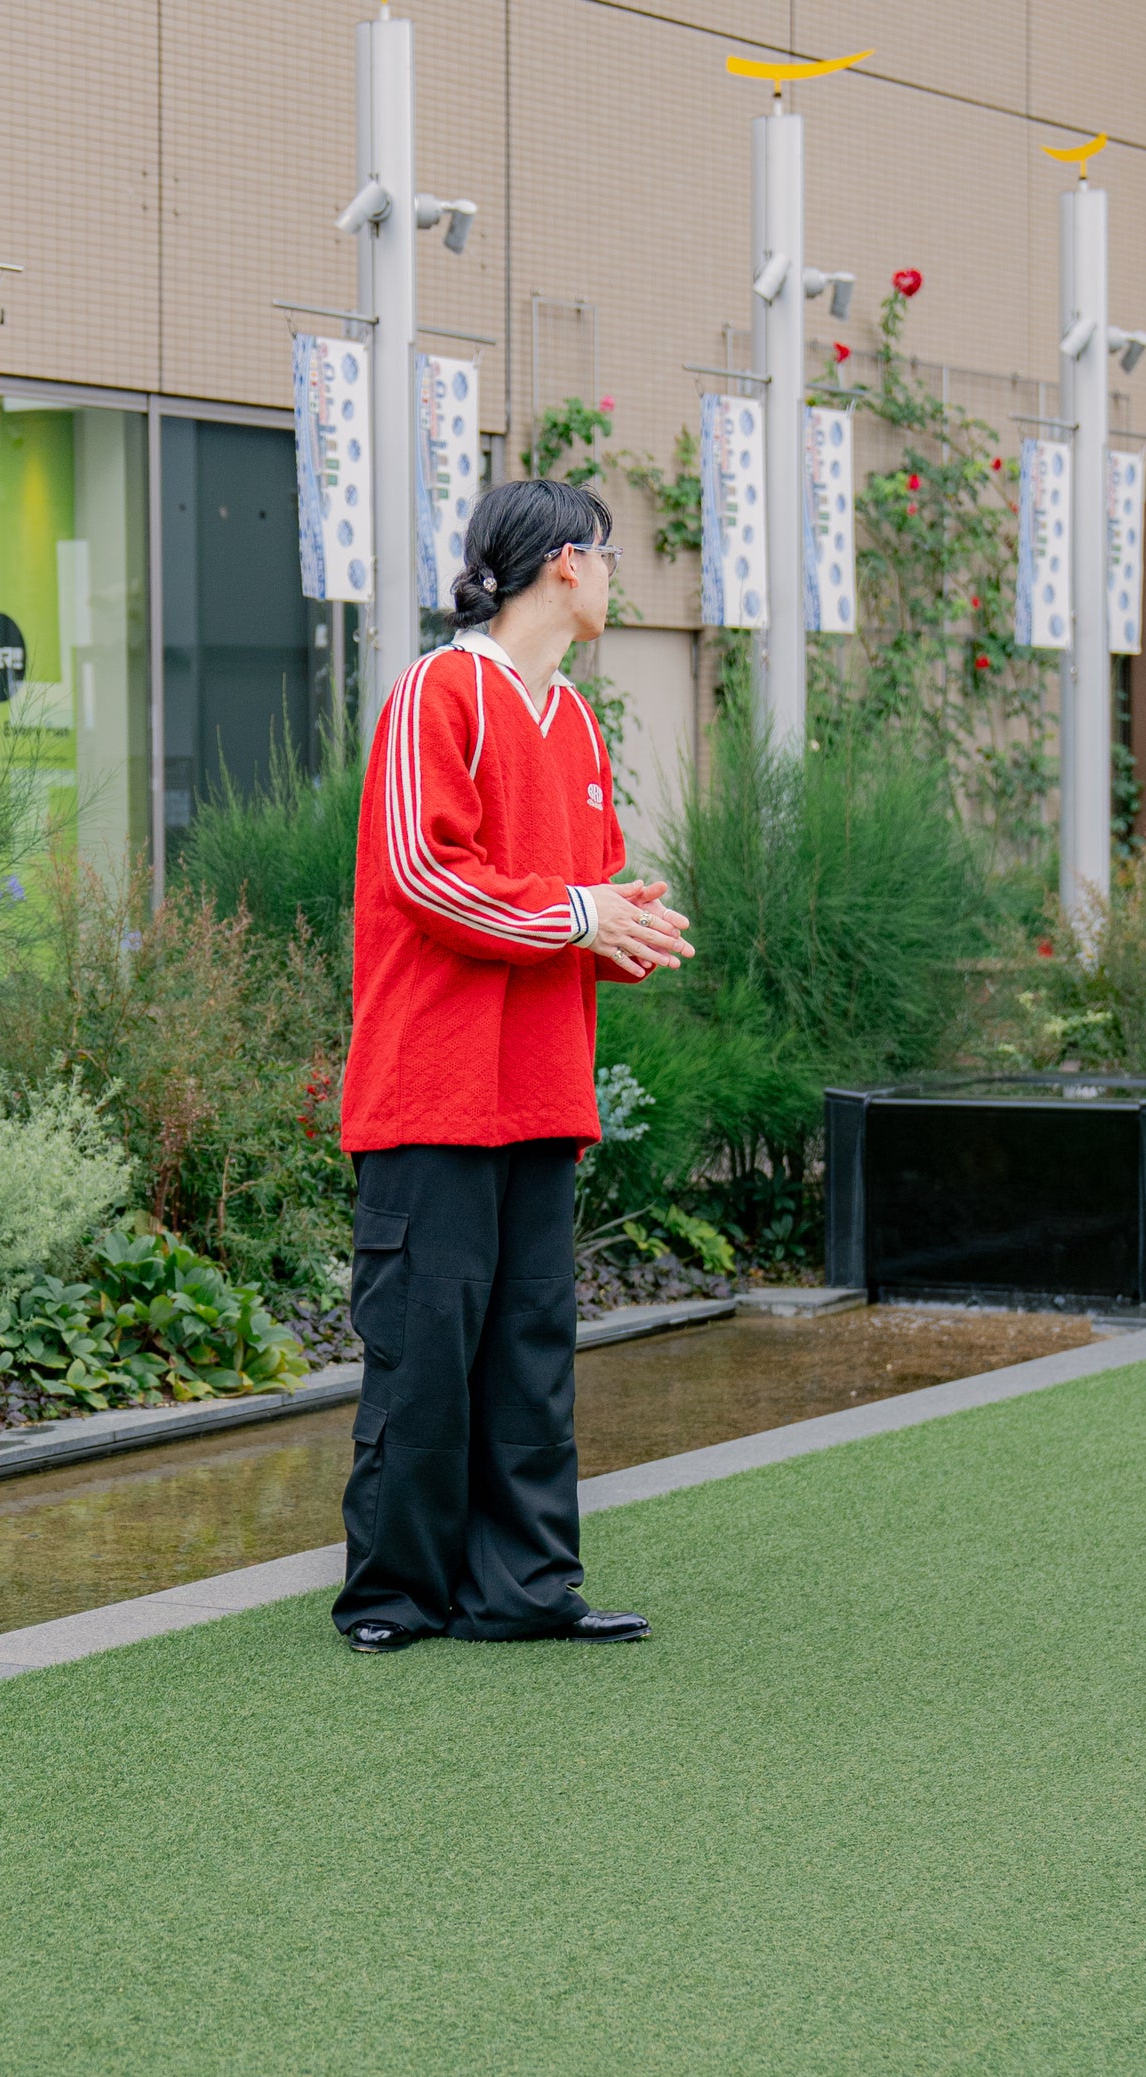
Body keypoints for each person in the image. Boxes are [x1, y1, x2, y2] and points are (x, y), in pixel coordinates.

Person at [333, 477, 695, 1653]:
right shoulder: (440, 692)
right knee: (424, 1358)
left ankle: (524, 1589)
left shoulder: (579, 724)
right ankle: (395, 1596)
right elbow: (424, 877)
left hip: (541, 1094)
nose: (615, 574)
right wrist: (581, 914)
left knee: (531, 1357)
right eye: (608, 553)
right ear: (563, 567)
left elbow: (584, 892)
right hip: (430, 1094)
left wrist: (625, 926)